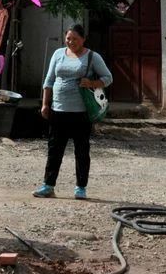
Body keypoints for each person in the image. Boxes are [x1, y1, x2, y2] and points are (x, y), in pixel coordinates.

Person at [33, 23, 112, 200]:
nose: (71, 42)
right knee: (54, 149)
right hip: (58, 109)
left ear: (83, 39)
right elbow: (49, 80)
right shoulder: (58, 54)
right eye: (68, 38)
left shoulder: (93, 57)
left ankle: (81, 188)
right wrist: (45, 104)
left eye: (75, 39)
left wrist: (91, 83)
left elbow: (108, 78)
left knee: (81, 151)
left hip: (81, 112)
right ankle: (48, 185)